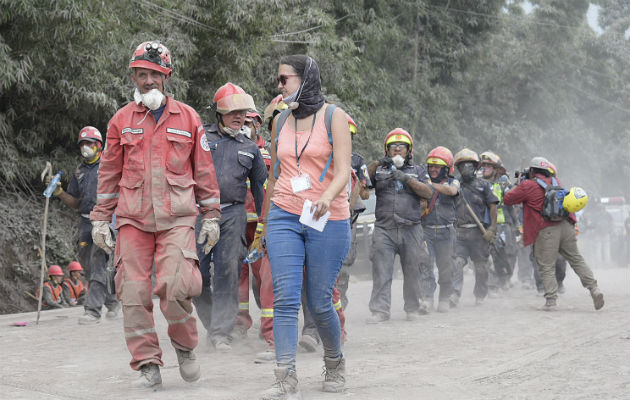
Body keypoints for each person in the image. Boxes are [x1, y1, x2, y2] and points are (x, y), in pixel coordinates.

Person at [90, 40, 221, 388]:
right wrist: (101, 219)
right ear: (133, 76)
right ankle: (147, 361)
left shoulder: (189, 118)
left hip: (177, 218)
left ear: (167, 76)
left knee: (177, 287)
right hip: (133, 219)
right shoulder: (120, 121)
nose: (147, 81)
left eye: (154, 74)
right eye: (141, 74)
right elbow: (108, 174)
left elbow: (205, 172)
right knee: (132, 293)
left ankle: (184, 346)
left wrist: (211, 215)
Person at [258, 55, 351, 399]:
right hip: (284, 213)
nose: (279, 86)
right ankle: (285, 377)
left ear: (306, 78)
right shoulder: (280, 120)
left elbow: (343, 170)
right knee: (284, 297)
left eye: (285, 79)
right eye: (279, 80)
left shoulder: (333, 117)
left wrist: (326, 196)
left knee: (319, 302)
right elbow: (275, 173)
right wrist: (264, 225)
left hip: (327, 216)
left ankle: (334, 361)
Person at [193, 82, 267, 351]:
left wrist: (264, 224)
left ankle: (221, 332)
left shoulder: (251, 148)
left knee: (228, 270)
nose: (239, 116)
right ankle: (213, 323)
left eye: (243, 112)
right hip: (200, 211)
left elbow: (261, 190)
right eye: (233, 111)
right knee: (195, 273)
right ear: (219, 113)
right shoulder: (201, 139)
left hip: (234, 213)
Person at [504, 156, 604, 311]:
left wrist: (518, 184)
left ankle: (551, 300)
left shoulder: (528, 185)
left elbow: (508, 199)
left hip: (547, 230)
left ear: (531, 170)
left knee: (546, 265)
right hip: (566, 226)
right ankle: (594, 289)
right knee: (576, 259)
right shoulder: (555, 182)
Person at [46, 126, 120, 324]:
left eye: (89, 143)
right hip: (86, 222)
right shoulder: (79, 171)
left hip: (106, 222)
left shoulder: (109, 165)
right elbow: (77, 203)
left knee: (97, 263)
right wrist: (60, 193)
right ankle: (112, 302)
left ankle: (93, 311)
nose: (85, 147)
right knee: (88, 267)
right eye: (82, 144)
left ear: (98, 145)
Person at [366, 128, 433, 322]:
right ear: (386, 150)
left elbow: (428, 193)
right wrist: (378, 162)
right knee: (381, 270)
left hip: (411, 228)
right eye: (392, 147)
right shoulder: (379, 169)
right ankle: (380, 310)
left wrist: (406, 179)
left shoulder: (418, 170)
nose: (397, 150)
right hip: (384, 228)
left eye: (401, 147)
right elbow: (363, 181)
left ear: (409, 151)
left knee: (412, 270)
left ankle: (412, 308)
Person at [234, 110, 276, 363]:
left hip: (261, 223)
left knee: (264, 277)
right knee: (239, 275)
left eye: (248, 123)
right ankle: (240, 323)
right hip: (238, 221)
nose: (244, 127)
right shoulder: (230, 148)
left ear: (257, 126)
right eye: (241, 122)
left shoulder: (269, 153)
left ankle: (268, 327)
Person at [450, 148, 499, 306]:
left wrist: (492, 228)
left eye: (469, 165)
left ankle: (480, 294)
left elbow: (493, 206)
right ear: (458, 168)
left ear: (476, 167)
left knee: (481, 267)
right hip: (459, 232)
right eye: (463, 166)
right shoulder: (454, 185)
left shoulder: (483, 185)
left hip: (479, 234)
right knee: (457, 262)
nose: (466, 169)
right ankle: (455, 294)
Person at [420, 146, 459, 313]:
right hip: (426, 230)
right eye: (431, 166)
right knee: (425, 266)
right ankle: (427, 299)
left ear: (446, 169)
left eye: (437, 167)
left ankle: (444, 297)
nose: (433, 169)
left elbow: (451, 191)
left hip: (446, 231)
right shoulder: (422, 182)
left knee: (446, 267)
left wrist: (430, 185)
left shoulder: (453, 181)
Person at [479, 151, 519, 294]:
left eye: (489, 165)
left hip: (502, 226)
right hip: (482, 225)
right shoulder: (476, 183)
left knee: (505, 254)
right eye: (483, 165)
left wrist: (516, 225)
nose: (485, 168)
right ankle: (491, 285)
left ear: (495, 169)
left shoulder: (503, 183)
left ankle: (504, 278)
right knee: (485, 255)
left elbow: (511, 204)